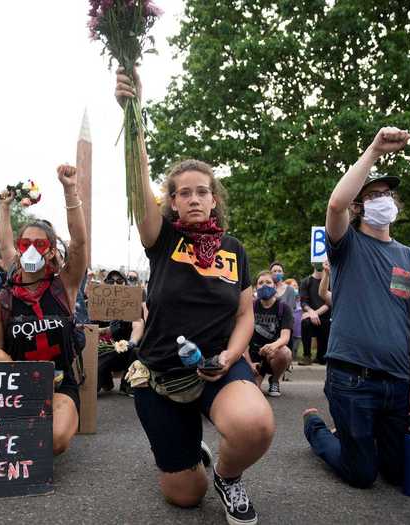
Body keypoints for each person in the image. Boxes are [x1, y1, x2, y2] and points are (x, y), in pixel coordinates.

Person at [116, 67, 273, 525]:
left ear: (214, 198)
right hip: (161, 374)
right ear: (172, 201)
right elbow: (136, 183)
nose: (194, 198)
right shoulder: (162, 238)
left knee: (255, 425)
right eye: (183, 193)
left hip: (217, 368)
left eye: (202, 191)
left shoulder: (233, 249)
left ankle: (227, 474)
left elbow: (244, 312)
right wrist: (134, 113)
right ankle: (188, 453)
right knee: (186, 496)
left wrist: (232, 355)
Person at [302, 126, 410, 489]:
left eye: (387, 193)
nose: (383, 199)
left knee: (400, 473)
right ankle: (315, 427)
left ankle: (358, 433)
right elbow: (335, 204)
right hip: (352, 379)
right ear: (359, 207)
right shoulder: (347, 245)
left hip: (398, 383)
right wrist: (374, 149)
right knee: (362, 474)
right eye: (373, 195)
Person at [0, 164, 87, 456]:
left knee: (56, 440)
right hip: (17, 389)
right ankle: (11, 419)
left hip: (59, 386)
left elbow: (80, 242)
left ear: (50, 250)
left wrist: (69, 189)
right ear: (19, 249)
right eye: (26, 243)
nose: (32, 249)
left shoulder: (65, 285)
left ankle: (22, 428)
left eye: (40, 243)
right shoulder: (3, 300)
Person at [95, 269, 145, 396]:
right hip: (110, 349)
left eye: (120, 281)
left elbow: (138, 324)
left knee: (136, 351)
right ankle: (105, 381)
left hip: (128, 352)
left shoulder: (132, 303)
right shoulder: (102, 303)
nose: (116, 284)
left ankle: (126, 385)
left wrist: (132, 342)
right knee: (97, 359)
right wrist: (103, 331)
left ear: (125, 283)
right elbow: (101, 329)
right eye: (111, 281)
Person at [247, 271, 293, 397]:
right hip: (253, 353)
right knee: (253, 392)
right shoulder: (250, 306)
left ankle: (274, 380)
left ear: (274, 286)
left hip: (273, 352)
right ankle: (256, 377)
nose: (264, 285)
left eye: (268, 282)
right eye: (261, 283)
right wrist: (248, 362)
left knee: (285, 352)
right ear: (256, 287)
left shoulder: (283, 308)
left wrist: (272, 346)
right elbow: (243, 336)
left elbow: (285, 337)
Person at [299, 263, 330, 365]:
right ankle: (306, 355)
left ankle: (321, 355)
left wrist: (315, 313)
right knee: (305, 322)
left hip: (326, 319)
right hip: (310, 319)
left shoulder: (331, 281)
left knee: (322, 360)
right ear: (312, 263)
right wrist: (311, 312)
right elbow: (303, 302)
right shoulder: (305, 282)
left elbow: (329, 303)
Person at [270, 262, 300, 364]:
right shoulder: (268, 288)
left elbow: (291, 309)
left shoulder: (290, 290)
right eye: (274, 271)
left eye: (279, 271)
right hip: (269, 321)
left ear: (283, 273)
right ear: (270, 273)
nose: (277, 273)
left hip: (285, 323)